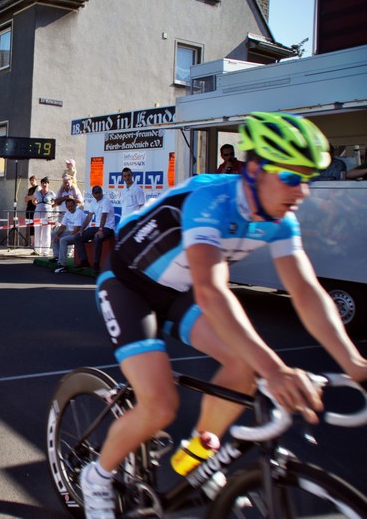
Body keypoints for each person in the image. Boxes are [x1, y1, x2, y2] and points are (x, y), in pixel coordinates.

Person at [80, 112, 367, 519]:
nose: (302, 190)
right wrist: (276, 370)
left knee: (243, 364)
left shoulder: (281, 220)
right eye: (291, 177)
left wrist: (353, 362)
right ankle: (96, 477)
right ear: (254, 171)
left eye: (307, 178)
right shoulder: (211, 201)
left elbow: (305, 291)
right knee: (160, 405)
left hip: (177, 291)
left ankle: (197, 456)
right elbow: (212, 291)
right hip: (129, 286)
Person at [73, 186, 116, 271]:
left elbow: (104, 216)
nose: (98, 194)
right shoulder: (93, 202)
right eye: (96, 193)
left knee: (97, 238)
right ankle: (84, 261)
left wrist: (100, 230)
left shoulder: (106, 201)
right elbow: (89, 217)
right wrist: (81, 229)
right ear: (93, 194)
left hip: (108, 227)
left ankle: (96, 264)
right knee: (77, 238)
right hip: (97, 227)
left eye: (100, 192)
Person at [50, 197, 85, 273]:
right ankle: (56, 257)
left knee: (63, 240)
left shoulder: (78, 213)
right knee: (54, 234)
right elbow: (63, 226)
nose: (70, 208)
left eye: (72, 206)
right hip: (72, 232)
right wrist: (57, 235)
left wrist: (64, 237)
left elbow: (76, 230)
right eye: (68, 207)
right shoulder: (67, 213)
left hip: (80, 234)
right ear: (66, 207)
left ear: (75, 205)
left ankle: (62, 265)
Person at [33, 177, 56, 256]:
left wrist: (50, 206)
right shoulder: (37, 192)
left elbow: (56, 201)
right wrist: (38, 205)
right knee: (37, 230)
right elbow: (33, 200)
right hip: (38, 213)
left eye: (46, 183)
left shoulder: (51, 193)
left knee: (46, 231)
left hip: (47, 214)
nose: (44, 184)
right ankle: (37, 249)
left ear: (48, 184)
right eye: (43, 183)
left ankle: (45, 251)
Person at [24, 175, 38, 243]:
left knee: (34, 225)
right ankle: (32, 242)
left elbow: (34, 197)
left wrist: (29, 197)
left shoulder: (38, 188)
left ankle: (35, 242)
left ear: (36, 180)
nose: (32, 182)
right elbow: (25, 199)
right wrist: (30, 197)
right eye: (30, 181)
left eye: (33, 180)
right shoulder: (30, 189)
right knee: (30, 225)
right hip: (29, 208)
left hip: (34, 208)